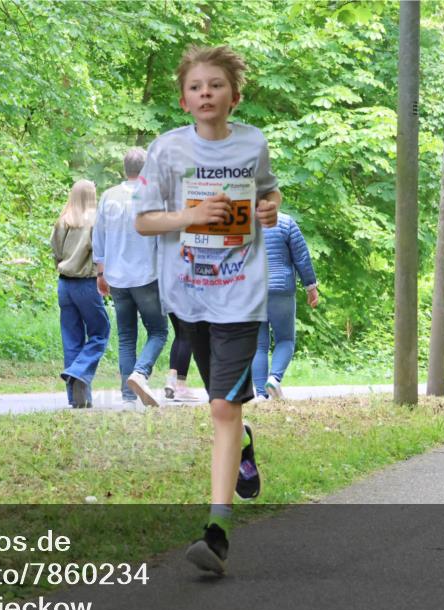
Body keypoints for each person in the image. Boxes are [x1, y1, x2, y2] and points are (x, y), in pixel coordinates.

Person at [135, 45, 282, 574]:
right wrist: (190, 215)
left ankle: (216, 533)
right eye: (196, 87)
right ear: (183, 100)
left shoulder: (253, 143)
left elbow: (269, 194)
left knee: (220, 407)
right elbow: (145, 221)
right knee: (227, 409)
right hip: (187, 296)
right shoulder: (167, 151)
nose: (205, 94)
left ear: (233, 96)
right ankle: (242, 445)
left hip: (242, 296)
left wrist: (269, 208)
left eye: (215, 85)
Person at [94, 148, 168, 408]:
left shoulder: (108, 196)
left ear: (125, 168)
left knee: (126, 336)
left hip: (117, 277)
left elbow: (99, 236)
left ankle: (128, 398)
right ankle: (141, 373)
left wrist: (100, 272)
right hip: (147, 275)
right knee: (159, 331)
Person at [51, 180, 110, 408]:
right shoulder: (96, 222)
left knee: (71, 339)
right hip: (86, 284)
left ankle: (77, 398)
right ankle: (77, 372)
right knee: (100, 332)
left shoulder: (62, 221)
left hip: (64, 285)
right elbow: (100, 253)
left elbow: (55, 251)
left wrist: (64, 263)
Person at [251, 213, 319, 401]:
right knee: (285, 340)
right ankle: (274, 378)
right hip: (280, 289)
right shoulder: (286, 222)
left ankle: (261, 395)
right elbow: (302, 258)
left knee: (258, 345)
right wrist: (311, 287)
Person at [164, 314, 202, 402]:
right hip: (186, 302)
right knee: (187, 336)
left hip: (171, 301)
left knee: (179, 335)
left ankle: (171, 380)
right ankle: (180, 387)